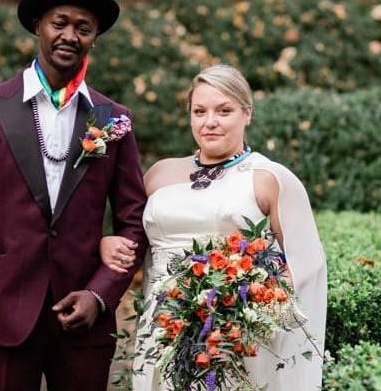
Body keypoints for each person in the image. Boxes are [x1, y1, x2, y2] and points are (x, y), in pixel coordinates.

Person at [0, 0, 148, 390]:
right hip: (2, 317)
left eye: (83, 28)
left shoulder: (111, 119)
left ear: (94, 39)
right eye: (59, 23)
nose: (70, 35)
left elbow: (134, 223)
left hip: (83, 321)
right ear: (38, 27)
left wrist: (100, 294)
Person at [102, 64, 327, 390]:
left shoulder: (270, 178)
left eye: (224, 111)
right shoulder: (160, 174)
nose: (210, 122)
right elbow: (132, 239)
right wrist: (108, 244)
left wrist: (242, 310)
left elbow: (306, 265)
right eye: (199, 111)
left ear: (247, 113)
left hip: (233, 335)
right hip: (164, 324)